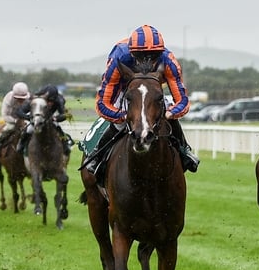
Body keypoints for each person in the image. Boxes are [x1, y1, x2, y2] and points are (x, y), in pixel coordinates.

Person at [85, 24, 199, 173]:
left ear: (161, 52)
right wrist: (123, 116)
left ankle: (184, 151)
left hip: (152, 88)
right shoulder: (118, 57)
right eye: (140, 55)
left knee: (168, 114)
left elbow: (182, 101)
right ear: (132, 53)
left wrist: (170, 113)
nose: (147, 60)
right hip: (125, 87)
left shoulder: (169, 60)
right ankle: (97, 155)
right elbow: (103, 104)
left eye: (153, 55)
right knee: (119, 124)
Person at [17, 85, 74, 155]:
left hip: (50, 120)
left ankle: (66, 145)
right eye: (48, 100)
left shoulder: (59, 100)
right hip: (35, 119)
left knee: (58, 128)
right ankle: (21, 145)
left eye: (52, 101)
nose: (50, 103)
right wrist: (28, 117)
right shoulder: (34, 99)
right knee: (29, 129)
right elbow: (19, 112)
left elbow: (65, 115)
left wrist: (56, 118)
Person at [0, 82, 30, 156]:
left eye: (22, 99)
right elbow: (5, 115)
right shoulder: (8, 99)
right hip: (11, 118)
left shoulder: (29, 98)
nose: (21, 101)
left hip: (24, 117)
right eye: (18, 99)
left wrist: (26, 119)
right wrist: (15, 121)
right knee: (10, 127)